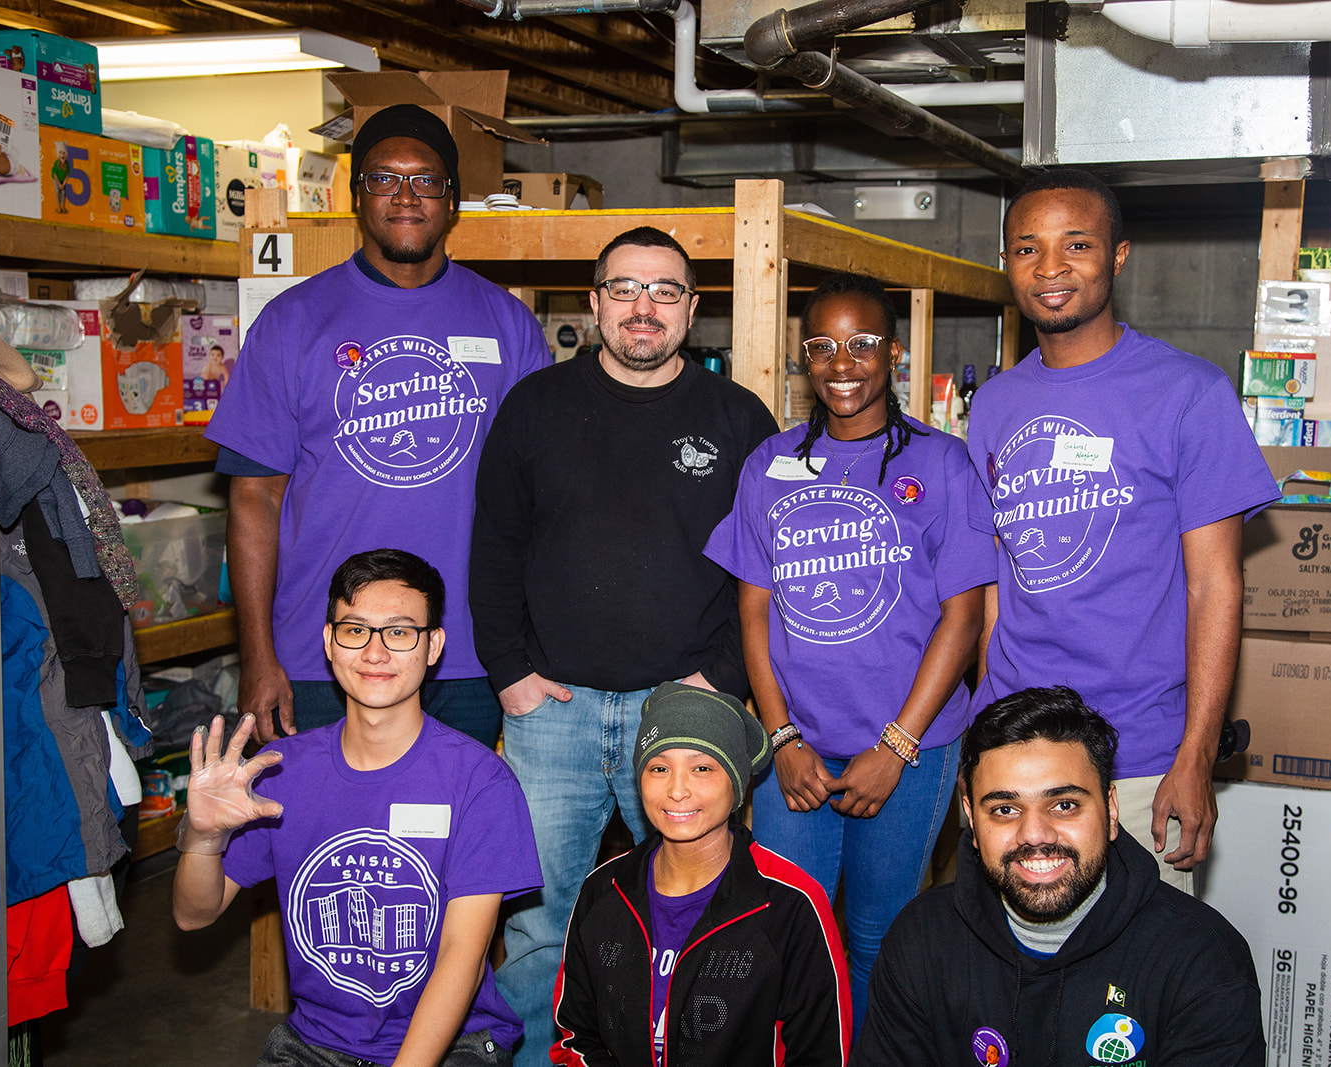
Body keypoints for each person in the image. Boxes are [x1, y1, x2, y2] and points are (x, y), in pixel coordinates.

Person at [469, 226, 780, 1065]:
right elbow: (493, 548)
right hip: (552, 714)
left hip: (682, 714)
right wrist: (511, 674)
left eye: (666, 291)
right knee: (540, 920)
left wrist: (718, 678)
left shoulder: (739, 418)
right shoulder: (533, 408)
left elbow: (766, 566)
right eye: (625, 289)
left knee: (685, 909)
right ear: (594, 302)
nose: (644, 307)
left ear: (692, 309)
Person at [964, 169, 1279, 890]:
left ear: (1118, 255)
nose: (1050, 268)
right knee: (1012, 987)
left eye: (1076, 244)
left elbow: (1216, 585)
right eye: (1027, 248)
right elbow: (997, 588)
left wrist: (1195, 754)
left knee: (1131, 993)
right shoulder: (997, 403)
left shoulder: (1188, 392)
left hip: (1138, 756)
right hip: (1012, 750)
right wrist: (983, 730)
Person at [206, 104, 550, 746]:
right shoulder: (291, 323)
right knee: (322, 843)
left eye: (425, 179)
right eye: (383, 179)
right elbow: (254, 496)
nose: (406, 196)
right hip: (323, 657)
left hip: (468, 658)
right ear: (357, 197)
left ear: (452, 200)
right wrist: (257, 656)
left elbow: (543, 499)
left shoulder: (507, 325)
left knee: (449, 841)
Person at [703, 272, 995, 1025]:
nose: (842, 363)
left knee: (877, 937)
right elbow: (752, 609)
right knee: (786, 933)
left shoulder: (940, 463)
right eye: (822, 346)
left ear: (892, 353)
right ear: (804, 358)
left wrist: (895, 746)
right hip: (794, 748)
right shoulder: (768, 464)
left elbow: (962, 620)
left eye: (862, 343)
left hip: (909, 749)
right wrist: (781, 735)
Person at [173, 549, 542, 1067]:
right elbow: (193, 915)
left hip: (453, 1043)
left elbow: (463, 955)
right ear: (329, 642)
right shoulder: (281, 770)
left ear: (432, 645)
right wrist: (205, 839)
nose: (374, 652)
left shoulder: (479, 781)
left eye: (399, 632)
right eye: (355, 630)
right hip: (315, 1044)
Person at [857, 686, 1265, 1065]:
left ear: (1110, 810)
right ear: (971, 819)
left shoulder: (1204, 964)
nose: (1034, 834)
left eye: (1065, 805)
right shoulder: (920, 940)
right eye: (1004, 809)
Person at [551, 682, 850, 1066]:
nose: (677, 790)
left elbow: (819, 1053)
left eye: (702, 768)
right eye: (659, 768)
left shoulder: (790, 905)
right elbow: (574, 1037)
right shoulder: (603, 891)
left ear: (737, 784)